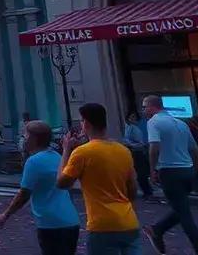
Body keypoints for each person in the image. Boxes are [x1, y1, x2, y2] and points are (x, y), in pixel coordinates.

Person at [56, 102, 142, 255]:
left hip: (102, 224)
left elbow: (62, 183)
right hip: (129, 221)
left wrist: (66, 150)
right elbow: (132, 189)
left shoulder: (82, 152)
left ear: (86, 123)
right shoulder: (123, 150)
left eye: (81, 121)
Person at [0, 121, 80, 255]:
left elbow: (24, 194)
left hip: (50, 223)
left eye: (25, 135)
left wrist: (5, 215)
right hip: (71, 220)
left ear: (33, 139)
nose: (23, 139)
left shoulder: (33, 162)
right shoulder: (57, 156)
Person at [142, 95, 198, 255]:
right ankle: (157, 230)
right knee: (182, 208)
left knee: (183, 213)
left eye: (145, 107)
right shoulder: (180, 123)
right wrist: (196, 173)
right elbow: (195, 151)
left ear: (153, 107)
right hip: (187, 169)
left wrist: (152, 169)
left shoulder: (154, 122)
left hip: (169, 171)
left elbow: (154, 148)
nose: (143, 110)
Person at [122, 112, 153, 199]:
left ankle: (148, 191)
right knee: (138, 174)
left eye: (134, 118)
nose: (133, 119)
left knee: (141, 174)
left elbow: (141, 143)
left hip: (138, 152)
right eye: (131, 117)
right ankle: (147, 191)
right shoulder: (128, 128)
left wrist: (130, 144)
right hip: (133, 152)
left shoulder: (136, 129)